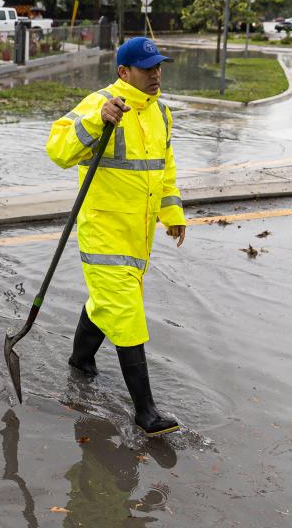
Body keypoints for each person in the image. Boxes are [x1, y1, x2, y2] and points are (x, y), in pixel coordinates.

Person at [44, 36, 186, 437]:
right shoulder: (100, 103)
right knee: (126, 313)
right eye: (147, 68)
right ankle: (146, 412)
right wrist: (95, 121)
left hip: (138, 235)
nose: (156, 74)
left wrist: (172, 213)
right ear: (124, 72)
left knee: (107, 302)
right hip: (104, 231)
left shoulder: (161, 113)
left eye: (159, 66)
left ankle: (80, 360)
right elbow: (57, 148)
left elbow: (165, 168)